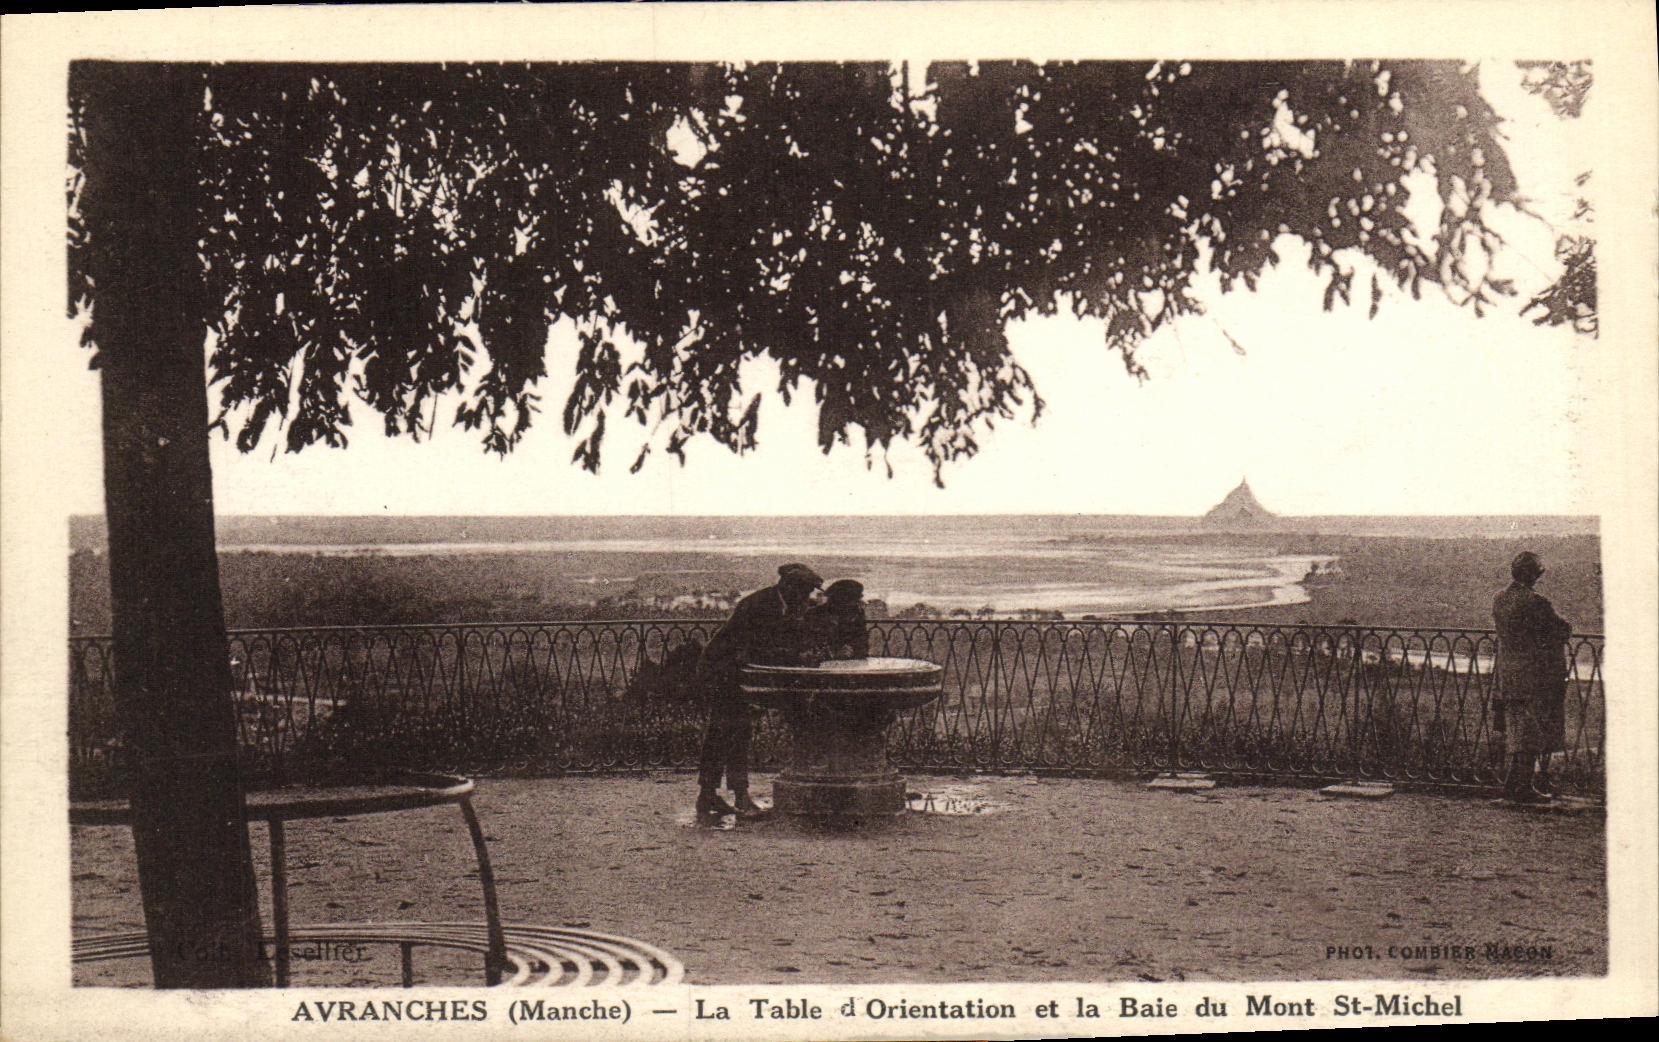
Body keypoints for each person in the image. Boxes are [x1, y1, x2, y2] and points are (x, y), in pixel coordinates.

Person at [694, 563, 823, 819]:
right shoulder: (759, 605)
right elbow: (757, 649)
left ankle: (712, 796)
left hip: (743, 672)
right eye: (804, 591)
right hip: (725, 671)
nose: (807, 597)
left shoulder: (786, 605)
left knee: (733, 732)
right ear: (788, 587)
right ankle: (732, 797)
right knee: (727, 732)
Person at [1492, 551, 1572, 803]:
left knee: (1517, 731)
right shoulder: (1536, 602)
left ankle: (1512, 786)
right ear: (1535, 574)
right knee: (1530, 733)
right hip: (1533, 676)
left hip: (1507, 673)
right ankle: (1523, 788)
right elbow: (1562, 630)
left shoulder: (1500, 599)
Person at [803, 579, 871, 663]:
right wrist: (832, 653)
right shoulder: (814, 614)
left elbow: (862, 642)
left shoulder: (857, 613)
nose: (854, 604)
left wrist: (852, 650)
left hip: (850, 663)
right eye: (850, 601)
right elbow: (806, 644)